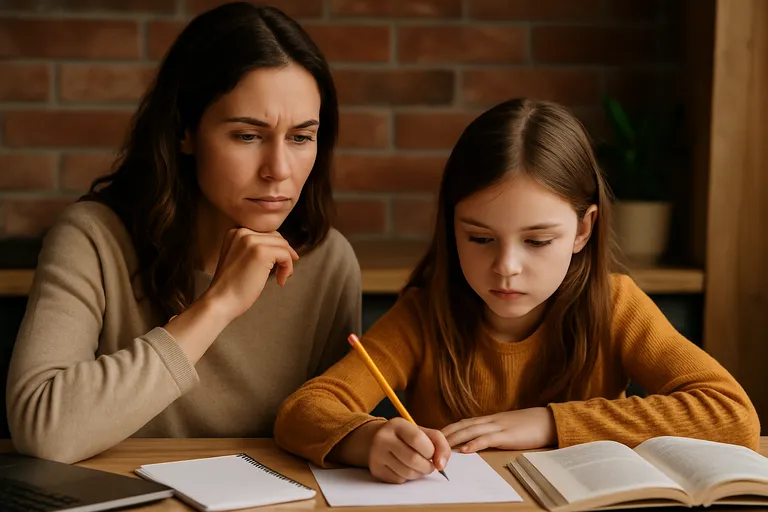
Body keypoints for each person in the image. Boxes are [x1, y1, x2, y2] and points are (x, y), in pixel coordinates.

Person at [274, 98, 760, 484]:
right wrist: (371, 439)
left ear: (583, 230)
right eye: (480, 238)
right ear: (451, 227)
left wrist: (550, 423)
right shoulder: (425, 314)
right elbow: (304, 411)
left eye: (537, 241)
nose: (506, 267)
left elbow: (732, 414)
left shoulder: (616, 305)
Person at [7, 2, 360, 464]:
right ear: (184, 131)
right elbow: (43, 431)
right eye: (247, 136)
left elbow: (328, 429)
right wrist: (216, 306)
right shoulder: (93, 239)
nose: (279, 171)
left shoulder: (329, 261)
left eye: (300, 137)